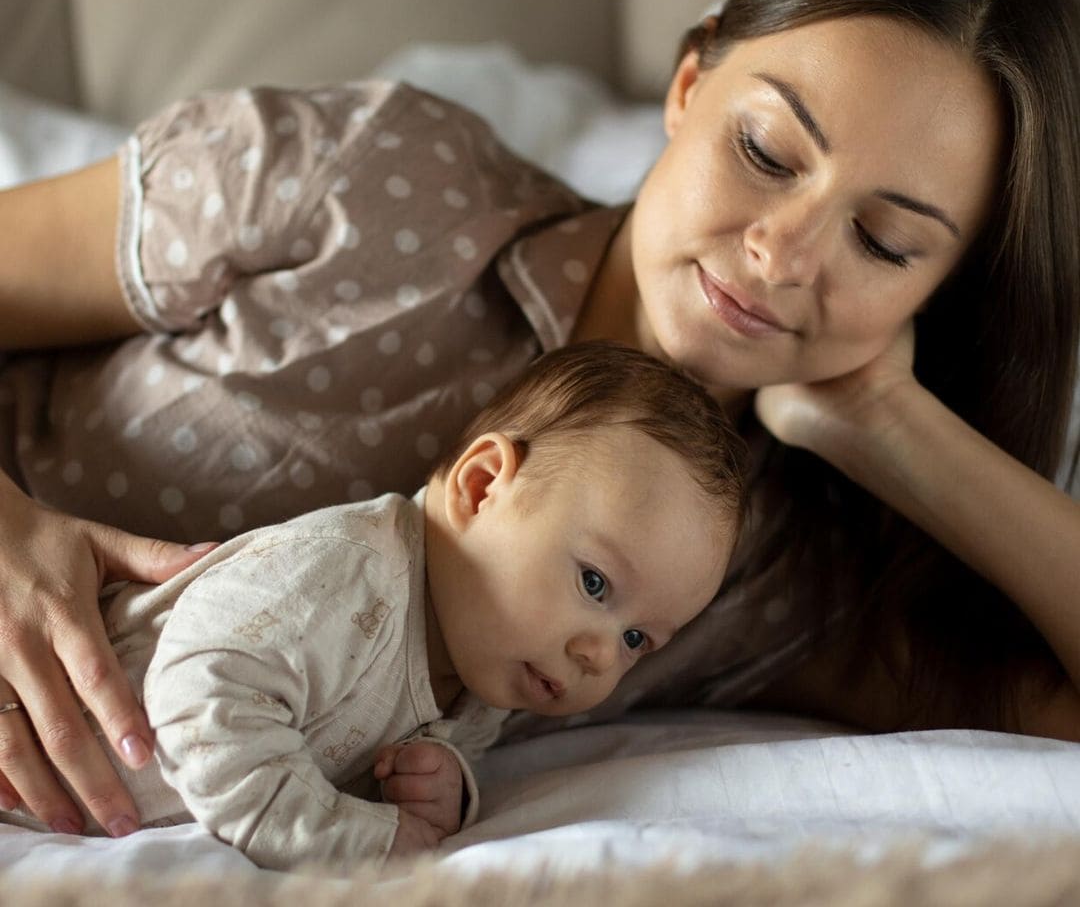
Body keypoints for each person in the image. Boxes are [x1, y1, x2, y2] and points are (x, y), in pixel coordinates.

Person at [0, 0, 1078, 841]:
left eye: (885, 243)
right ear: (691, 82)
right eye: (764, 153)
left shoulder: (770, 569)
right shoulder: (375, 179)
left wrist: (894, 424)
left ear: (940, 292)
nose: (785, 256)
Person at [0, 342, 743, 866]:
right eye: (594, 584)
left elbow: (379, 754)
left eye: (640, 638)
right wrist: (357, 839)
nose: (600, 654)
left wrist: (446, 785)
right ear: (483, 486)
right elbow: (199, 697)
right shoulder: (349, 571)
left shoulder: (492, 666)